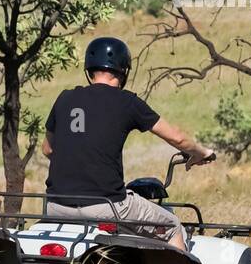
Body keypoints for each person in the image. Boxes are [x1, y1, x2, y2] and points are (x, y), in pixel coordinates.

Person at [41, 37, 215, 251]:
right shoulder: (127, 101)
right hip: (106, 206)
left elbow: (47, 149)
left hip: (56, 206)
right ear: (124, 70)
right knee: (171, 226)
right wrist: (201, 152)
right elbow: (177, 138)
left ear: (89, 69)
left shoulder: (64, 98)